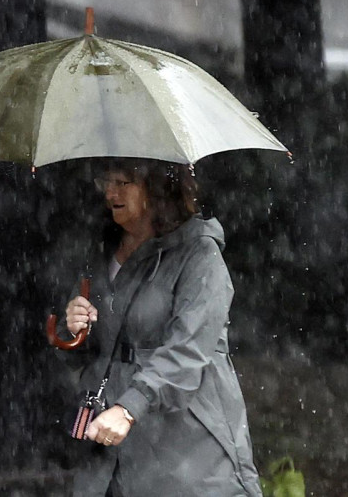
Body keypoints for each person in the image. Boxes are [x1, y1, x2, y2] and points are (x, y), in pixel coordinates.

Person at [59, 159, 261, 496]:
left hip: (188, 456)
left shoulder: (199, 254)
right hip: (110, 459)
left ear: (158, 187)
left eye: (124, 182)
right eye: (106, 181)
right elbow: (90, 351)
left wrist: (129, 407)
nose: (111, 192)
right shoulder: (100, 250)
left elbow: (188, 351)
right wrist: (73, 327)